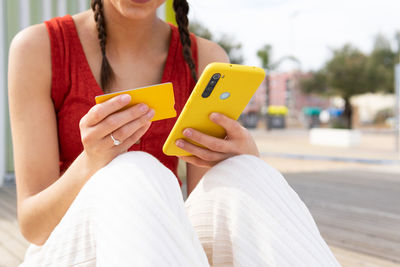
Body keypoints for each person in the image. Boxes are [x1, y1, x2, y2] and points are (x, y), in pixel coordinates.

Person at [8, 0, 340, 266]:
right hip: (67, 250)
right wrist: (91, 162)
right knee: (133, 169)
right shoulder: (39, 47)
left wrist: (235, 160)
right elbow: (34, 228)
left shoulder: (206, 59)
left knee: (246, 170)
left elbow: (207, 207)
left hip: (158, 249)